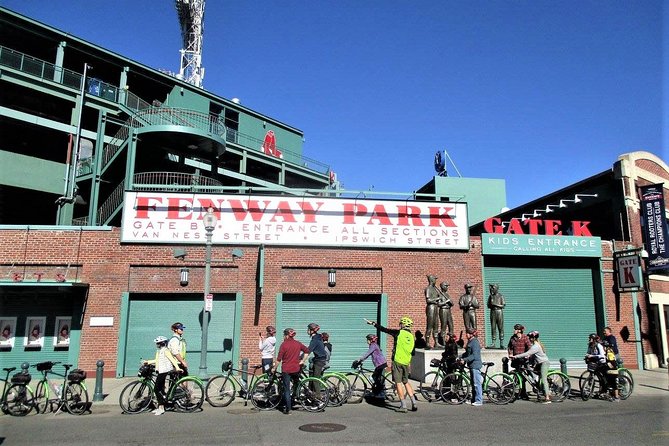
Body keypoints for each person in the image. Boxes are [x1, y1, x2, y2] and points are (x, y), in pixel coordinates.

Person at [366, 316, 418, 412]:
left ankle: (403, 406)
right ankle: (414, 403)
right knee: (406, 382)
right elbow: (413, 352)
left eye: (400, 323)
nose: (400, 325)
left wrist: (373, 323)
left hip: (397, 361)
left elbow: (385, 330)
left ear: (403, 324)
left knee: (398, 383)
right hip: (406, 362)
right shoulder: (412, 336)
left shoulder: (398, 333)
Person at [273, 328, 309, 414]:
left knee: (287, 389)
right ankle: (295, 397)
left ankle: (288, 409)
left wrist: (274, 368)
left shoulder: (283, 345)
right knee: (296, 384)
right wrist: (302, 361)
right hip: (296, 368)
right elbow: (307, 351)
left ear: (286, 336)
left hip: (286, 370)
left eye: (284, 335)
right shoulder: (298, 343)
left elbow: (278, 359)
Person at [510, 331, 551, 404]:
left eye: (530, 338)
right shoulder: (534, 345)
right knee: (532, 373)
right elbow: (531, 355)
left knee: (543, 379)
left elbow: (528, 353)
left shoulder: (536, 346)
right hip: (538, 363)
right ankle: (539, 389)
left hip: (544, 363)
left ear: (533, 338)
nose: (528, 339)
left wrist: (515, 356)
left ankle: (547, 397)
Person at [144, 335, 181, 416]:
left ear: (162, 343)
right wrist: (148, 362)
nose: (157, 344)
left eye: (158, 343)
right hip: (161, 371)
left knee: (157, 389)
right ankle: (162, 403)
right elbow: (157, 360)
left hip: (164, 371)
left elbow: (172, 359)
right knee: (160, 389)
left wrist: (177, 367)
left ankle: (161, 408)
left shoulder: (166, 350)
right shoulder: (159, 351)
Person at [585, 333, 619, 401]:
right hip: (599, 363)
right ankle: (602, 391)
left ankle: (616, 396)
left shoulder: (600, 346)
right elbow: (591, 353)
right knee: (601, 378)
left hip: (608, 364)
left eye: (590, 338)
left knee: (611, 379)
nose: (589, 339)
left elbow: (603, 356)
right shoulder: (591, 345)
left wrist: (592, 356)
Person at [356, 333, 388, 398]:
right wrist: (362, 360)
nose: (366, 341)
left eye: (367, 339)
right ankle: (375, 392)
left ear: (370, 340)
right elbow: (368, 354)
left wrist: (359, 360)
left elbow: (368, 353)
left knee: (375, 379)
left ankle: (382, 393)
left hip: (381, 364)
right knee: (374, 378)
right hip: (379, 364)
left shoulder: (373, 346)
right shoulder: (373, 345)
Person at [507, 323, 532, 400]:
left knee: (523, 377)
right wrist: (510, 354)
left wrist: (528, 355)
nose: (514, 330)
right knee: (517, 377)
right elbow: (509, 347)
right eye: (514, 329)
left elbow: (529, 347)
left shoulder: (525, 338)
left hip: (523, 360)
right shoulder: (512, 338)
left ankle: (523, 393)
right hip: (516, 360)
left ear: (520, 330)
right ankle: (520, 392)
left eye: (516, 329)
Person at [460, 327, 483, 406]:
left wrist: (465, 360)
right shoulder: (470, 342)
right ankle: (473, 399)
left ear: (471, 334)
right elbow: (467, 353)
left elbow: (474, 355)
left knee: (477, 383)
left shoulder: (475, 342)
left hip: (475, 365)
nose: (466, 335)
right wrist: (460, 357)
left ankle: (479, 400)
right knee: (473, 383)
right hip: (471, 365)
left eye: (467, 333)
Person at [424, 274, 441, 349]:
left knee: (436, 325)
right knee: (430, 325)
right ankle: (427, 342)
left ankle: (436, 342)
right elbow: (428, 300)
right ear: (431, 280)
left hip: (436, 307)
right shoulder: (428, 289)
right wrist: (437, 299)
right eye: (434, 279)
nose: (435, 281)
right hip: (430, 307)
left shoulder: (435, 289)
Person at [487, 283, 506, 349]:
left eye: (494, 288)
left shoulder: (500, 296)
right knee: (493, 327)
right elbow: (488, 305)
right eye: (492, 288)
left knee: (500, 327)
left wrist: (495, 304)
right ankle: (493, 343)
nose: (492, 289)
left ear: (497, 289)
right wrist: (491, 304)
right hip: (492, 312)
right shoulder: (490, 296)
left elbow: (503, 305)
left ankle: (501, 343)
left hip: (499, 312)